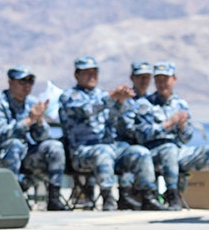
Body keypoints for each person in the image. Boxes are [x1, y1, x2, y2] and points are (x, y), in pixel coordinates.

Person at [58, 56, 165, 212]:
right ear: (77, 75)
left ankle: (148, 197)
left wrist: (120, 102)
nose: (92, 76)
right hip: (83, 152)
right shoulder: (69, 96)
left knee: (140, 152)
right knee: (104, 151)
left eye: (95, 72)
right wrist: (111, 96)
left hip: (110, 148)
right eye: (87, 73)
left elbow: (115, 119)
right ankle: (108, 199)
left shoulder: (101, 94)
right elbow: (86, 110)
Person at [134, 61, 209, 212]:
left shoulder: (181, 104)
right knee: (169, 150)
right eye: (158, 80)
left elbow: (186, 138)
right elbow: (142, 135)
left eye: (165, 79)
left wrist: (182, 127)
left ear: (174, 79)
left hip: (178, 152)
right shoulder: (145, 104)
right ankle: (173, 196)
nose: (162, 84)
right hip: (154, 154)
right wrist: (168, 124)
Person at [0, 65, 69, 211]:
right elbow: (1, 134)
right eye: (22, 81)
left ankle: (54, 198)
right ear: (11, 82)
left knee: (54, 146)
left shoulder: (32, 102)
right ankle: (12, 196)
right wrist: (28, 121)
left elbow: (42, 137)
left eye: (30, 81)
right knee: (15, 144)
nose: (27, 85)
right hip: (0, 155)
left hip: (24, 154)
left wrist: (40, 120)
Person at [110, 61, 153, 207]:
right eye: (140, 77)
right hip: (124, 145)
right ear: (132, 78)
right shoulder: (125, 100)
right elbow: (127, 129)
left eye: (147, 77)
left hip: (149, 144)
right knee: (136, 152)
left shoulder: (153, 101)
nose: (144, 80)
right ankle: (141, 197)